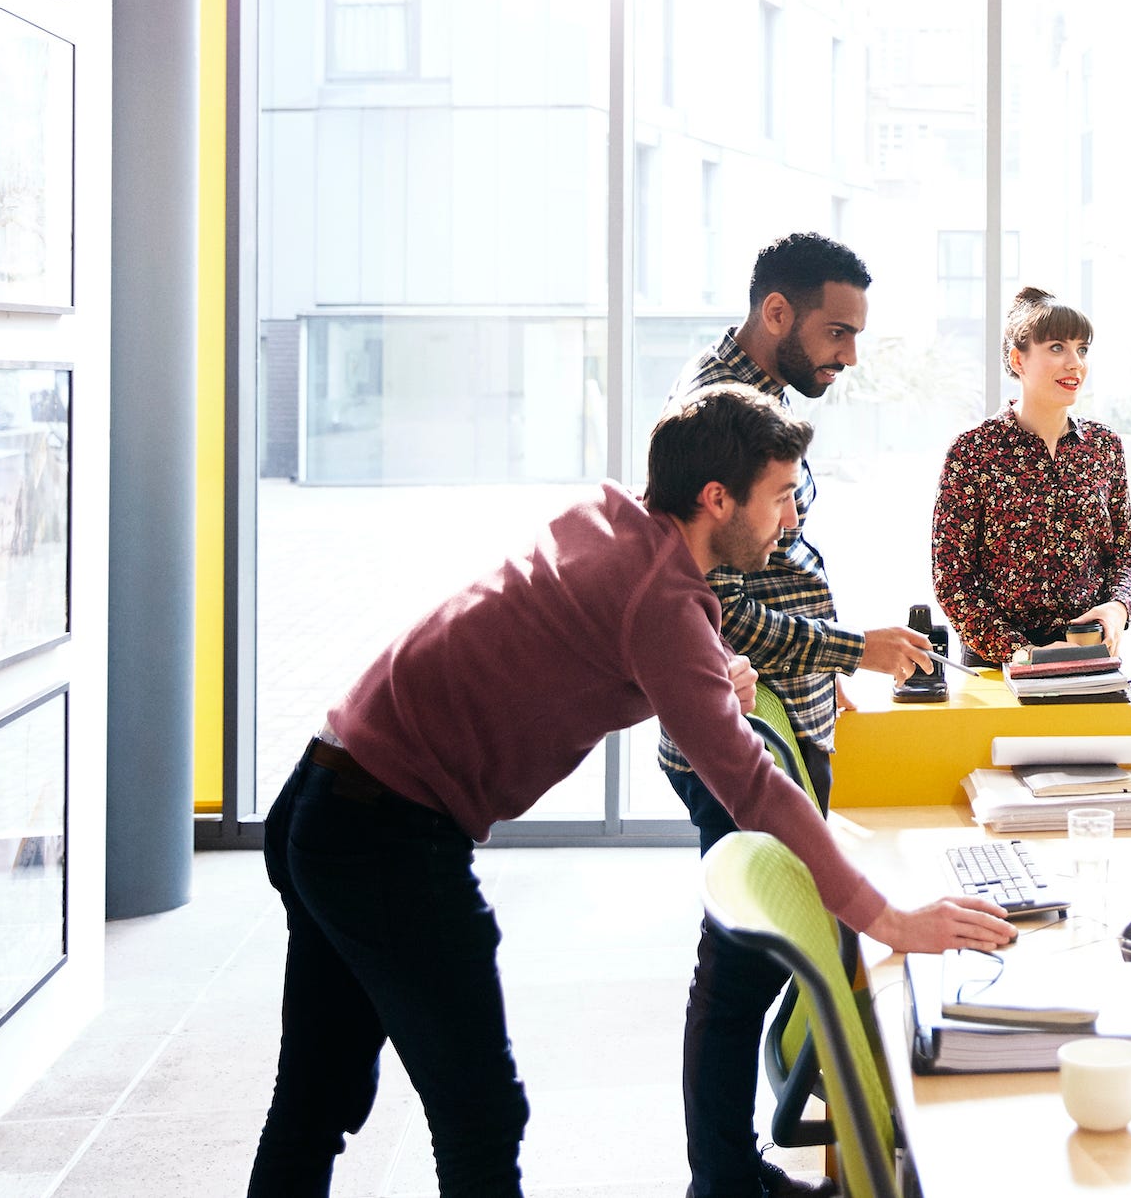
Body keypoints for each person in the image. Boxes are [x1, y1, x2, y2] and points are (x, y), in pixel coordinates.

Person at [247, 384, 1012, 1198]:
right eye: (781, 495)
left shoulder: (615, 521)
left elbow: (590, 632)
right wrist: (886, 917)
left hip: (325, 789)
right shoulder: (664, 602)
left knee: (316, 1096)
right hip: (387, 832)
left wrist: (703, 673)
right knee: (479, 1115)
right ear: (717, 498)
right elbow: (754, 786)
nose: (791, 519)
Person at [657, 231, 935, 1198]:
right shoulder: (717, 413)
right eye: (836, 331)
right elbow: (714, 602)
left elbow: (776, 566)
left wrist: (830, 673)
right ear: (776, 313)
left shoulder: (762, 400)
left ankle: (733, 1169)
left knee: (753, 960)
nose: (848, 356)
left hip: (787, 710)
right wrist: (846, 645)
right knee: (736, 969)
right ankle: (724, 1181)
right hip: (733, 725)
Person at [931, 287, 1131, 665]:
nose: (1075, 362)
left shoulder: (1104, 446)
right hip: (998, 663)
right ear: (1018, 359)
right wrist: (1025, 654)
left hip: (1088, 654)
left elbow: (1123, 557)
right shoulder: (973, 451)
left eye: (1082, 349)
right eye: (1057, 347)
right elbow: (952, 580)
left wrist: (1118, 609)